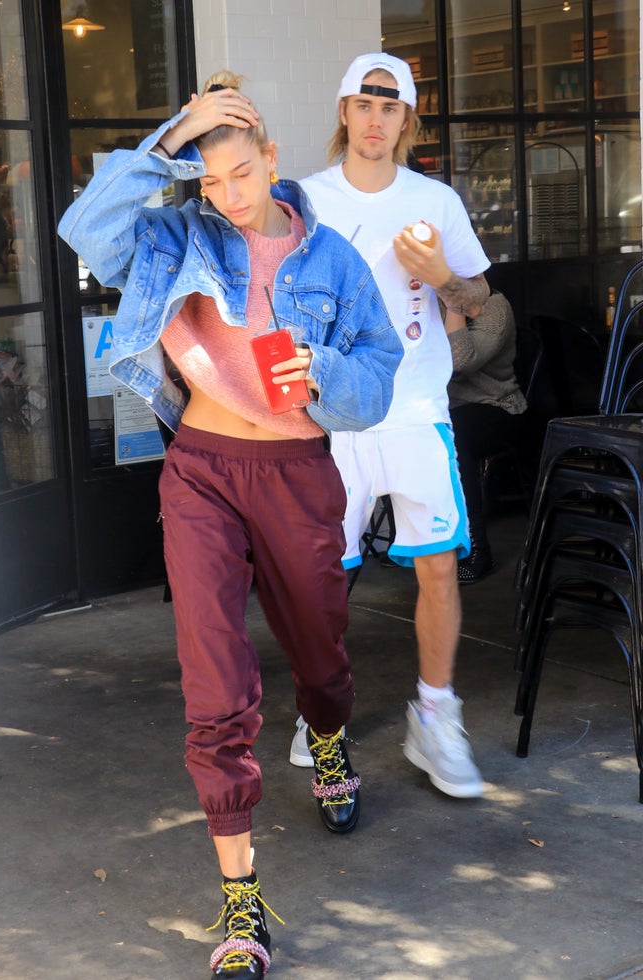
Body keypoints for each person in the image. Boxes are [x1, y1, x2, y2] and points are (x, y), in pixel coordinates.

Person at [58, 70, 403, 980]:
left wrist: (324, 369)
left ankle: (327, 737)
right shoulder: (175, 235)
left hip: (295, 472)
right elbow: (85, 229)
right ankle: (241, 900)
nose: (230, 195)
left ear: (274, 161)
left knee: (319, 650)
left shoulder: (329, 259)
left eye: (242, 173)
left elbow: (380, 365)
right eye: (210, 180)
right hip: (202, 472)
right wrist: (171, 138)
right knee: (215, 678)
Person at [289, 53, 490, 800]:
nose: (375, 118)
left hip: (414, 411)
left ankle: (434, 716)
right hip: (332, 418)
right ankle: (321, 715)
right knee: (323, 575)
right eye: (363, 103)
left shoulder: (435, 200)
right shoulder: (301, 199)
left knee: (438, 565)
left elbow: (479, 301)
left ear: (407, 118)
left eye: (390, 105)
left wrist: (441, 277)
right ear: (344, 110)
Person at [445, 291, 528, 583]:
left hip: (497, 406)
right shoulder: (428, 306)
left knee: (453, 437)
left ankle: (478, 550)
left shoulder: (495, 306)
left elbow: (458, 360)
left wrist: (452, 300)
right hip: (449, 409)